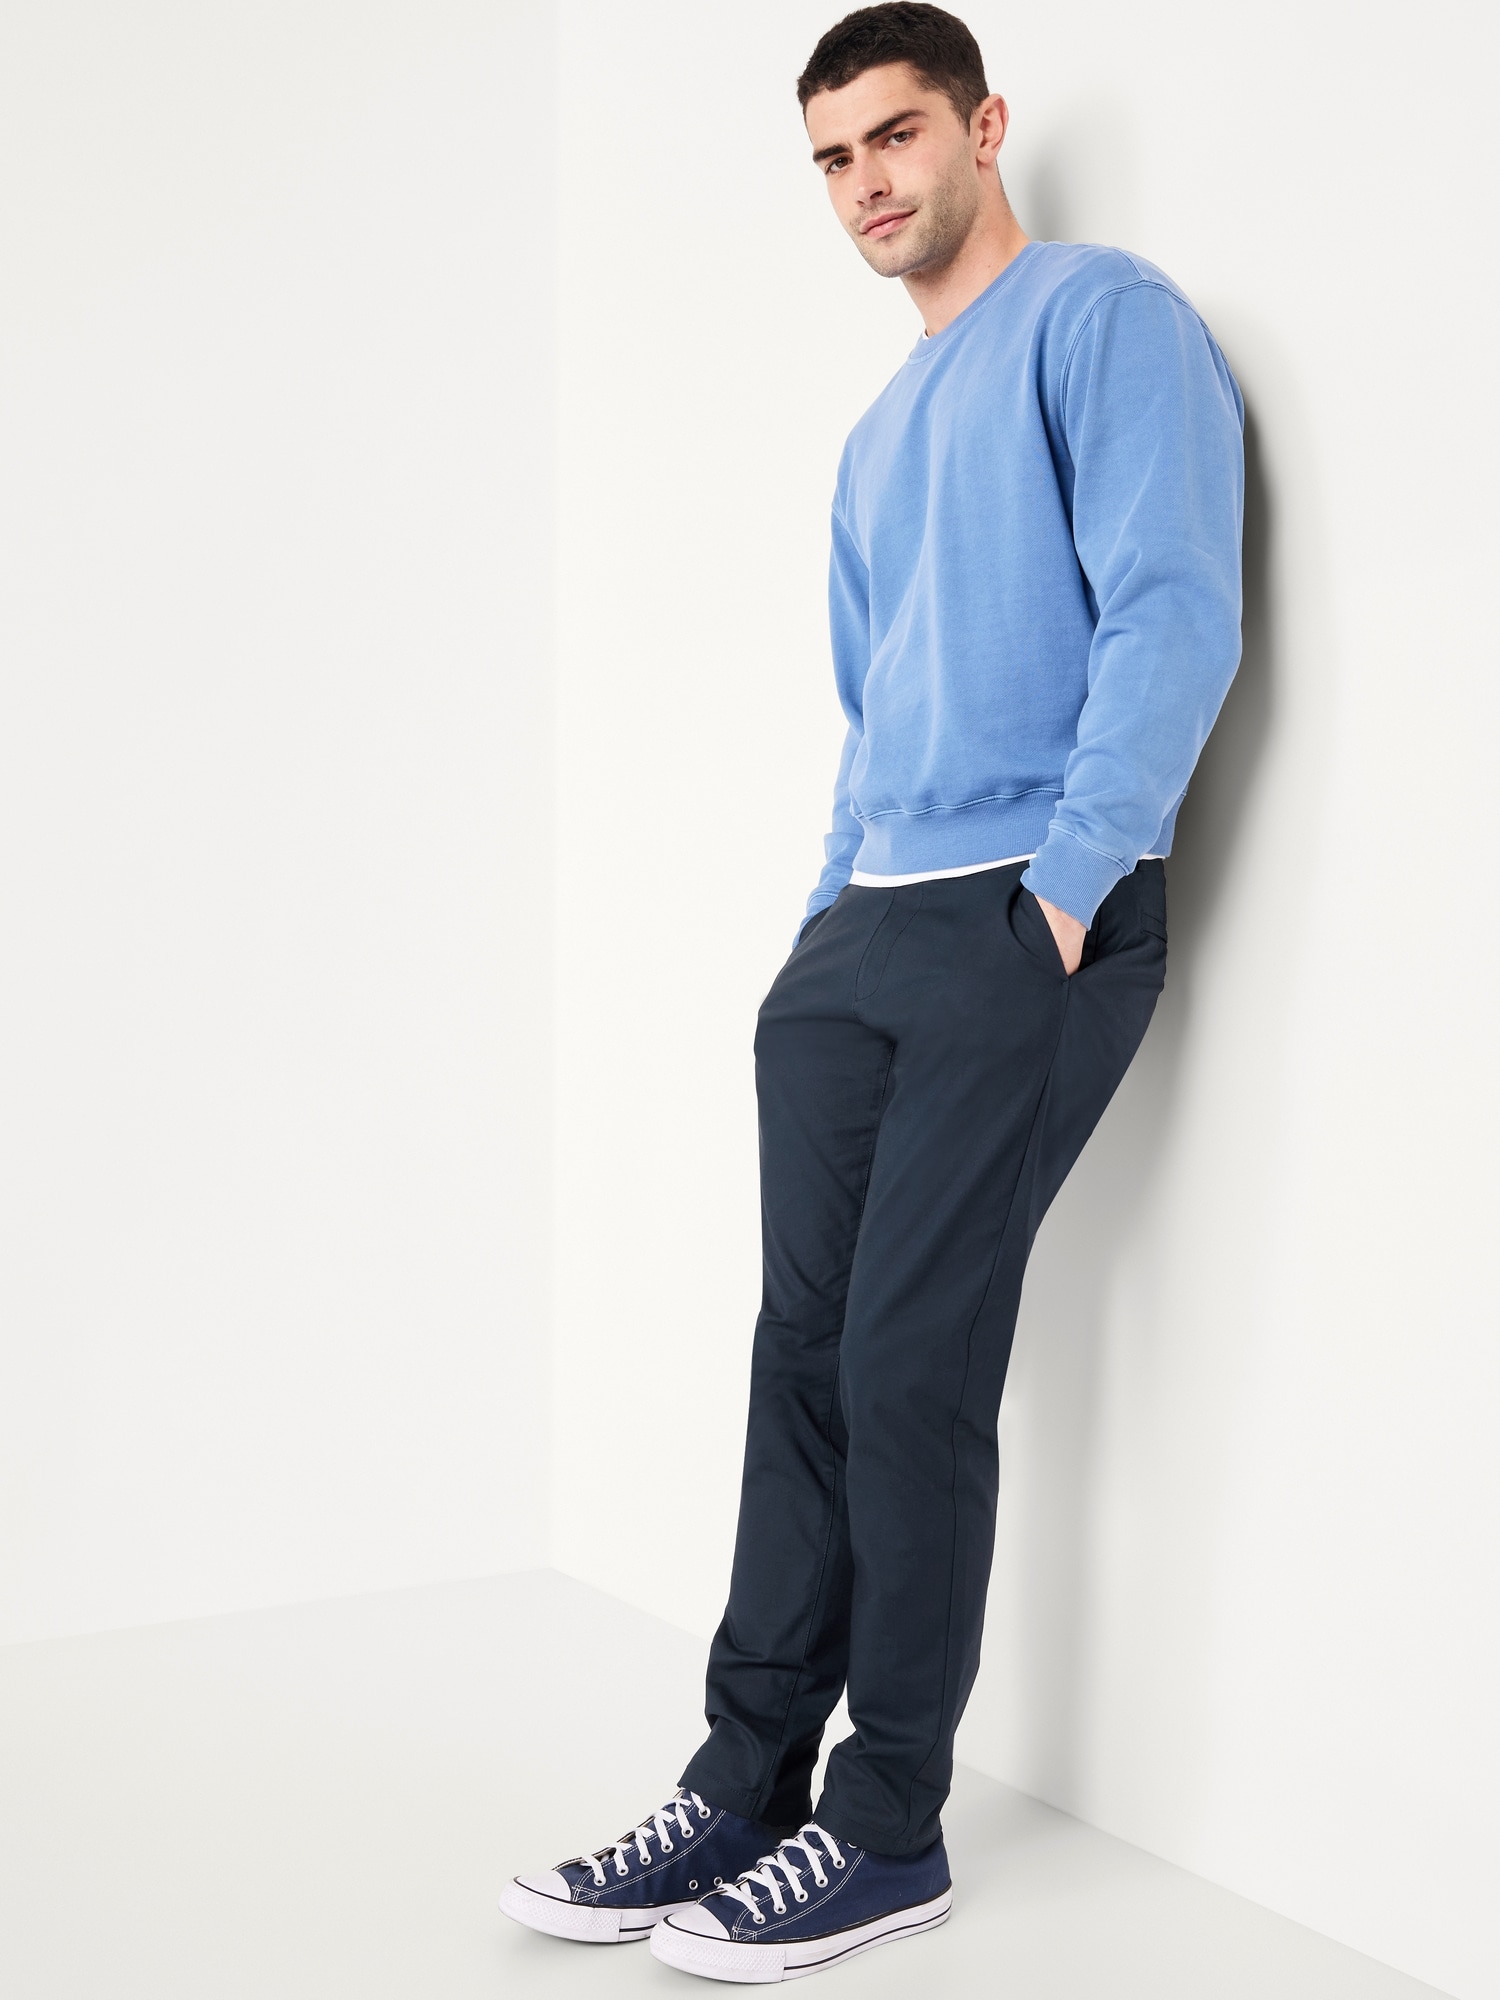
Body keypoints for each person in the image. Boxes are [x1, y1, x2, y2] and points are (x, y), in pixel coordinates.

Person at [501, 2, 1244, 1980]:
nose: (865, 183)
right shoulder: (875, 436)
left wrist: (1069, 890)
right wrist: (819, 925)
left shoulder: (1101, 318)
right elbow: (871, 708)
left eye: (895, 135)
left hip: (1027, 912)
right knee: (806, 1365)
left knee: (911, 1364)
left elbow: (1173, 607)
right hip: (864, 937)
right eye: (833, 158)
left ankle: (887, 1824)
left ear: (983, 128)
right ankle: (742, 1783)